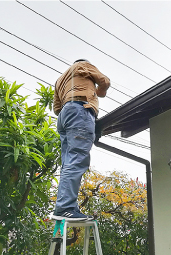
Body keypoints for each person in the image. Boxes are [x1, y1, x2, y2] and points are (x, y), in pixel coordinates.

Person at [52, 59, 110, 221]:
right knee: (77, 159)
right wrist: (99, 92)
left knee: (68, 163)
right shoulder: (82, 65)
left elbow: (57, 108)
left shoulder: (60, 80)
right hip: (80, 110)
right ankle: (66, 208)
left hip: (64, 116)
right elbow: (104, 81)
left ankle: (64, 206)